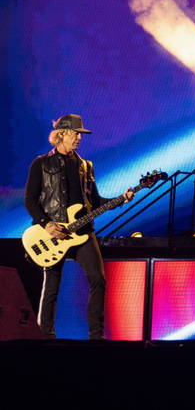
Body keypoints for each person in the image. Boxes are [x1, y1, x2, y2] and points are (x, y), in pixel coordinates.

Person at [23, 114, 135, 339]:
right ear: (62, 133)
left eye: (80, 134)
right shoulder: (41, 163)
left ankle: (96, 336)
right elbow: (29, 200)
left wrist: (121, 199)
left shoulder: (86, 166)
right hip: (53, 234)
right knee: (52, 287)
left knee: (98, 279)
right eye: (76, 133)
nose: (79, 138)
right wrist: (47, 225)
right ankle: (46, 337)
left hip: (83, 232)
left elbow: (95, 201)